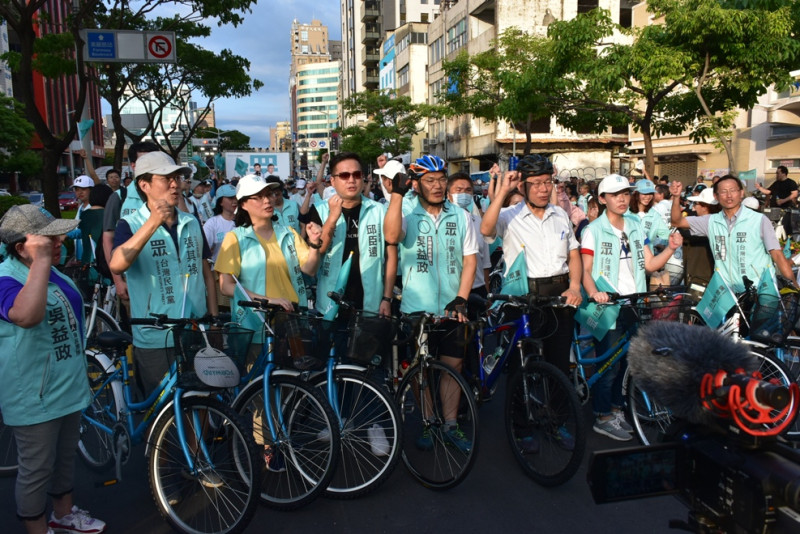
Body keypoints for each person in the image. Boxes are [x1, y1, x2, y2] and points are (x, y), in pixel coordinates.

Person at [0, 205, 106, 534]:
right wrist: (43, 260)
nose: (59, 241)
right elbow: (26, 315)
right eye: (48, 238)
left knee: (63, 460)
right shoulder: (6, 278)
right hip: (35, 393)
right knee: (36, 468)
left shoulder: (52, 270)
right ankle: (36, 527)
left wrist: (46, 260)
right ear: (21, 248)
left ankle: (62, 514)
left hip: (66, 386)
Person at [384, 154, 478, 453]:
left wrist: (462, 298)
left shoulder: (460, 215)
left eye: (441, 179)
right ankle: (427, 421)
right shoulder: (408, 215)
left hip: (453, 306)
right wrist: (397, 194)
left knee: (455, 364)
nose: (438, 186)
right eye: (429, 181)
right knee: (420, 368)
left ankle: (450, 424)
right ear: (416, 184)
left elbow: (470, 259)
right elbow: (391, 235)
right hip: (416, 306)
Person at [581, 174, 683, 441]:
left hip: (635, 302)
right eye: (615, 194)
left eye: (626, 193)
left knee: (628, 363)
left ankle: (616, 410)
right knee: (609, 364)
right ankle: (602, 416)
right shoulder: (593, 230)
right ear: (603, 199)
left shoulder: (636, 225)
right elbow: (586, 270)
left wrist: (671, 249)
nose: (623, 198)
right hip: (608, 306)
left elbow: (649, 265)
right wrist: (594, 293)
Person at [109, 151, 218, 395]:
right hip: (156, 336)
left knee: (200, 399)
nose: (174, 184)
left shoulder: (191, 221)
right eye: (165, 178)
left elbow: (205, 271)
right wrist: (153, 223)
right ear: (144, 184)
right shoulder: (131, 225)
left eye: (177, 178)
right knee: (164, 411)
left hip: (194, 329)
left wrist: (212, 319)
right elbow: (116, 265)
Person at [481, 154, 582, 380]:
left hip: (559, 297)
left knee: (559, 366)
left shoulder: (560, 215)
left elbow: (573, 254)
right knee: (520, 368)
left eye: (547, 182)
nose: (543, 189)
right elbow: (486, 230)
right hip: (522, 299)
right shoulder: (508, 215)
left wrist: (575, 286)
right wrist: (503, 192)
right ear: (523, 186)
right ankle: (519, 415)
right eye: (536, 183)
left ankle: (560, 414)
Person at [215, 175, 322, 351]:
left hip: (290, 319)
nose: (267, 201)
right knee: (257, 375)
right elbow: (226, 287)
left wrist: (315, 244)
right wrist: (269, 301)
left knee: (293, 375)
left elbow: (310, 269)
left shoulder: (288, 233)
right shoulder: (235, 238)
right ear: (243, 204)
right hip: (253, 324)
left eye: (268, 194)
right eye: (258, 197)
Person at [305, 152, 395, 318]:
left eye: (357, 175)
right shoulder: (320, 209)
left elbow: (390, 256)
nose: (351, 180)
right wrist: (332, 218)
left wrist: (387, 298)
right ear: (333, 181)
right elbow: (320, 250)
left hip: (371, 302)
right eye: (344, 175)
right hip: (330, 302)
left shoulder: (380, 210)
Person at [670, 175, 795, 293]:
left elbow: (778, 256)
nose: (729, 195)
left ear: (741, 193)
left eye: (733, 190)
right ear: (716, 196)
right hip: (726, 293)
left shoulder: (759, 220)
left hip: (759, 290)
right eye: (723, 191)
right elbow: (677, 221)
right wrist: (676, 198)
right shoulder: (711, 221)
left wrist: (794, 286)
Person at [104, 142, 160, 303]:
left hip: (165, 276)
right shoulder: (120, 197)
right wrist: (118, 281)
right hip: (132, 280)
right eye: (145, 162)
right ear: (134, 165)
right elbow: (108, 239)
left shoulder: (170, 196)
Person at [449, 172, 491, 314]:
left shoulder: (479, 222)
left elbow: (485, 262)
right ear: (448, 194)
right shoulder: (443, 223)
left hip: (478, 289)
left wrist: (487, 292)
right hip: (453, 291)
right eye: (458, 190)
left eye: (468, 190)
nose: (464, 194)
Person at [756, 165, 798, 237]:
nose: (776, 175)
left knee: (784, 227)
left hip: (785, 210)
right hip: (774, 210)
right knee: (773, 227)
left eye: (778, 173)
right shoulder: (776, 183)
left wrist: (783, 201)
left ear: (784, 173)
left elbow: (794, 194)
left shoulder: (791, 182)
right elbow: (768, 192)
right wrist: (760, 188)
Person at [203, 184, 237, 266]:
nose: (235, 201)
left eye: (236, 197)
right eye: (230, 198)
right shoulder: (212, 223)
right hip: (220, 272)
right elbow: (204, 253)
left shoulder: (244, 221)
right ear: (220, 202)